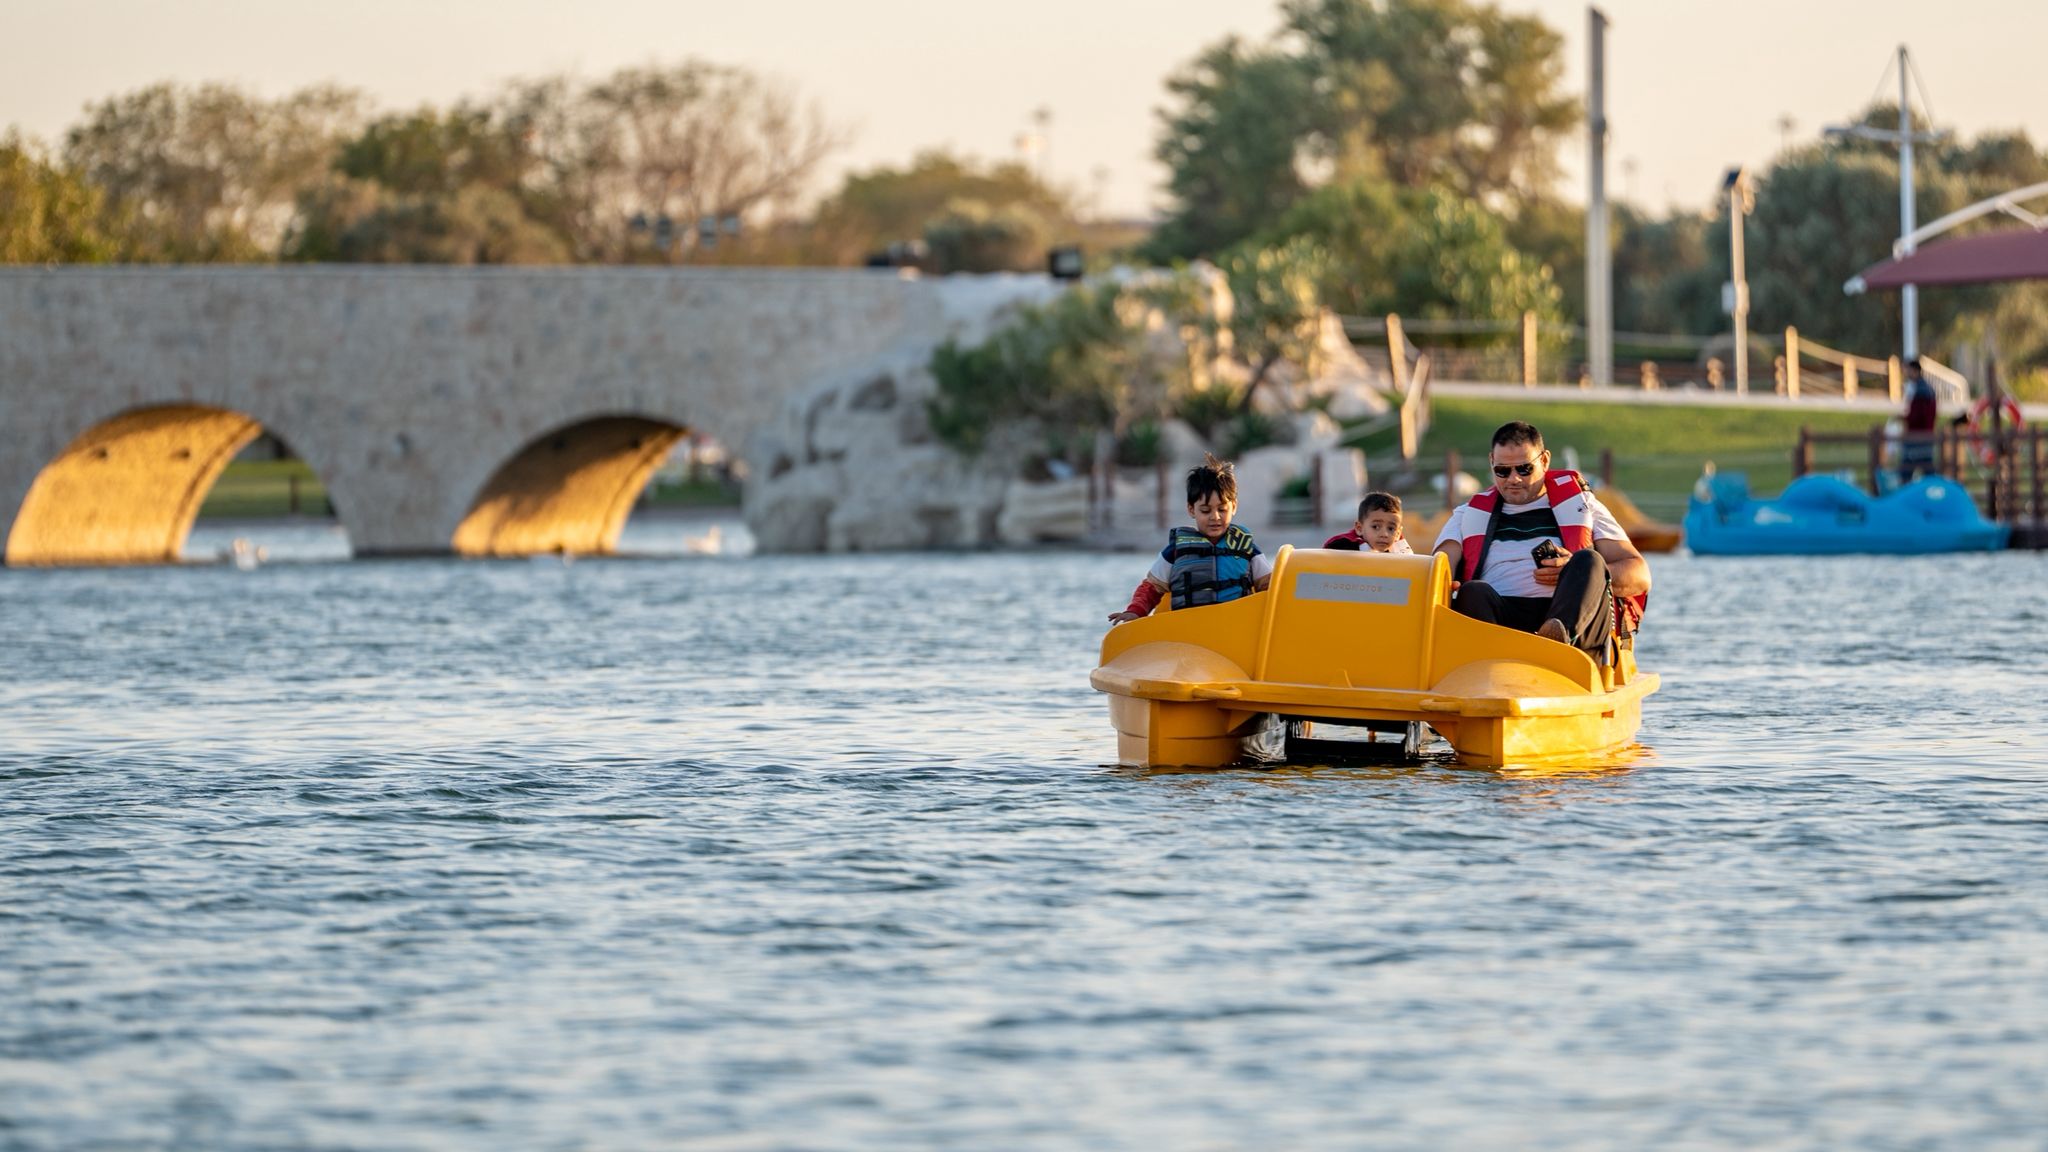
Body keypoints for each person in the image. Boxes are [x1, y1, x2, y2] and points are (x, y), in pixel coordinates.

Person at [1432, 421, 1651, 660]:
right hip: (1501, 622)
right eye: (1503, 471)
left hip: (1574, 627)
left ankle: (1555, 642)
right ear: (1491, 463)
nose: (1513, 479)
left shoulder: (1584, 506)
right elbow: (1437, 569)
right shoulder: (1467, 514)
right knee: (1472, 591)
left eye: (1524, 469)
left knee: (1588, 560)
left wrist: (1572, 573)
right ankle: (1492, 662)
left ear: (1545, 460)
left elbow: (1640, 575)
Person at [1109, 455, 1273, 623]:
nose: (1215, 517)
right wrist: (1135, 611)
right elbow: (1151, 588)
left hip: (1235, 628)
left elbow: (1270, 587)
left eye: (1222, 509)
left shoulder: (1247, 548)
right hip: (1190, 631)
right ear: (1191, 509)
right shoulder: (1176, 550)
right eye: (1205, 510)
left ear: (1234, 507)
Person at [1322, 492, 1414, 553]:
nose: (1384, 534)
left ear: (1398, 533)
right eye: (1376, 527)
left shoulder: (1400, 550)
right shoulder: (1342, 547)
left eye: (1391, 529)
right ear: (1359, 528)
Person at [1900, 357, 1939, 484]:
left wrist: (1905, 418)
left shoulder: (1921, 391)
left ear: (1915, 371)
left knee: (1907, 470)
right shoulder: (1926, 389)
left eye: (1908, 370)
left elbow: (1918, 416)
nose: (1906, 373)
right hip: (1926, 435)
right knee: (1927, 469)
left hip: (1918, 436)